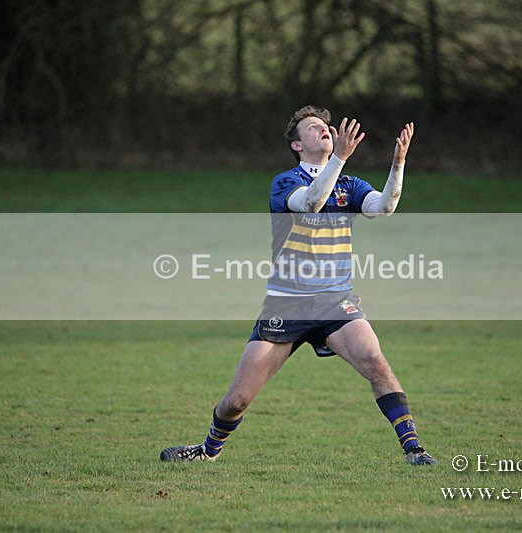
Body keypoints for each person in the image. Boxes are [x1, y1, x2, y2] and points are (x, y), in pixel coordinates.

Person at [160, 105, 437, 465]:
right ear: (297, 145)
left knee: (375, 360)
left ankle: (414, 449)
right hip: (287, 304)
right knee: (237, 401)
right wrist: (339, 158)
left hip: (335, 302)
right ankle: (208, 451)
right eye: (313, 127)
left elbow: (384, 207)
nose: (325, 130)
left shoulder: (350, 185)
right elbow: (311, 202)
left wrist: (398, 164)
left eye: (326, 126)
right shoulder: (285, 182)